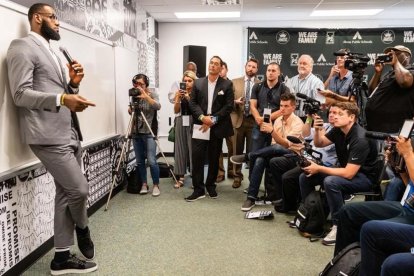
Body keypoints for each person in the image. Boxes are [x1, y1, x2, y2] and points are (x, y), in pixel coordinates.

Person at [7, 3, 97, 274]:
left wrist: (73, 85)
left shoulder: (53, 51)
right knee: (78, 190)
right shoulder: (21, 47)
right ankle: (83, 227)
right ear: (37, 18)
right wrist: (62, 98)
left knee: (64, 193)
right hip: (46, 134)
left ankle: (61, 258)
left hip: (68, 130)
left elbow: (60, 93)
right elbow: (19, 95)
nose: (58, 23)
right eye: (53, 18)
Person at [299, 102, 378, 246]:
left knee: (331, 182)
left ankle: (338, 225)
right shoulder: (338, 130)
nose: (334, 116)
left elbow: (349, 173)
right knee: (306, 175)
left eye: (339, 114)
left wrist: (319, 168)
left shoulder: (360, 138)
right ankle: (311, 215)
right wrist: (317, 130)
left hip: (365, 177)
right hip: (347, 170)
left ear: (351, 117)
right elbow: (320, 143)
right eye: (333, 113)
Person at [334, 136, 414, 260]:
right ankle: (341, 266)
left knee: (371, 229)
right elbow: (409, 183)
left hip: (411, 216)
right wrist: (399, 166)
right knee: (348, 211)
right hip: (406, 206)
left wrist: (408, 154)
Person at [231, 93, 304, 211]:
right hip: (278, 152)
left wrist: (272, 131)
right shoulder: (278, 120)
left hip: (293, 155)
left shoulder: (298, 122)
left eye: (286, 106)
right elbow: (274, 143)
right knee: (260, 159)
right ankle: (251, 198)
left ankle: (249, 156)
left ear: (293, 107)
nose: (282, 108)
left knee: (278, 148)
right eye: (281, 105)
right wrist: (272, 133)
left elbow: (287, 144)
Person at [270, 107, 338, 213]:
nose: (331, 115)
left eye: (335, 113)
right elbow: (306, 134)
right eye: (330, 112)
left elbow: (324, 145)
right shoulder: (326, 125)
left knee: (288, 177)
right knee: (275, 162)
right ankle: (285, 199)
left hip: (320, 163)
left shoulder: (338, 132)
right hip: (306, 156)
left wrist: (319, 130)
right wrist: (309, 119)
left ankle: (293, 207)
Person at [186, 55, 234, 201]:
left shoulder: (226, 85)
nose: (212, 65)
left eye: (216, 64)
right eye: (211, 63)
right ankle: (198, 189)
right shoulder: (198, 83)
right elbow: (193, 103)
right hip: (200, 125)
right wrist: (202, 118)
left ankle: (210, 186)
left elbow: (228, 106)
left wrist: (212, 119)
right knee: (197, 157)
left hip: (216, 126)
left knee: (214, 157)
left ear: (220, 68)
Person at [366, 45, 414, 133]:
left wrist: (396, 63)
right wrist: (378, 73)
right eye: (391, 54)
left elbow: (404, 82)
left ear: (407, 56)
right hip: (376, 127)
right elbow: (372, 91)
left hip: (394, 129)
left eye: (397, 53)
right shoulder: (388, 74)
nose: (393, 55)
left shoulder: (411, 71)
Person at [129, 74, 161, 196]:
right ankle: (144, 184)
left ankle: (156, 185)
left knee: (152, 160)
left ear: (146, 84)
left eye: (141, 84)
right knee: (140, 161)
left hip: (149, 132)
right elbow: (133, 112)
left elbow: (158, 106)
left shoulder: (153, 94)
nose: (139, 86)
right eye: (136, 84)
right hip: (136, 132)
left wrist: (146, 96)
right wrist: (130, 109)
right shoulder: (134, 96)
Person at [231, 58, 259, 188]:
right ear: (245, 67)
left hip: (253, 122)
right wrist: (235, 102)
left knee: (252, 152)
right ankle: (237, 176)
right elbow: (227, 102)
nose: (251, 69)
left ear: (257, 70)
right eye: (249, 66)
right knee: (237, 150)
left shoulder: (260, 84)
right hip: (238, 121)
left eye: (254, 67)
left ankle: (251, 179)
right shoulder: (234, 82)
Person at [171, 70, 197, 188]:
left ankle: (195, 177)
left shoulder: (197, 93)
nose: (187, 83)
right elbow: (176, 110)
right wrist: (177, 98)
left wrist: (188, 97)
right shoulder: (179, 93)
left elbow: (196, 108)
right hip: (181, 119)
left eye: (189, 81)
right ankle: (181, 177)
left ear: (194, 81)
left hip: (193, 120)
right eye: (185, 81)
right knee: (180, 149)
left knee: (193, 150)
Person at [285, 54, 325, 118]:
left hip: (308, 119)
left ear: (311, 67)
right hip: (292, 119)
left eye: (304, 64)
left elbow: (321, 104)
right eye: (300, 63)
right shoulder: (291, 80)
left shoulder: (317, 83)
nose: (301, 65)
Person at [216, 61, 235, 183]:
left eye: (223, 68)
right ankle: (220, 173)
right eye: (219, 68)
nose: (220, 70)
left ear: (226, 70)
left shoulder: (231, 84)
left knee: (232, 147)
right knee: (218, 149)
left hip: (231, 119)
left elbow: (231, 102)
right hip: (217, 120)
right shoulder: (214, 83)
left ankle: (232, 171)